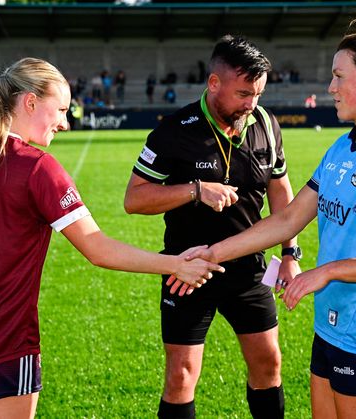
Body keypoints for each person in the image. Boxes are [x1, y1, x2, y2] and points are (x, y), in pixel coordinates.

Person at [0, 57, 222, 419]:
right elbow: (97, 248)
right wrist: (174, 264)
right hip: (2, 339)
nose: (65, 121)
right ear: (29, 102)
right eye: (59, 109)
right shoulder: (37, 167)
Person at [173, 15, 356, 419]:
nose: (330, 87)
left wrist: (327, 271)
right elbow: (287, 219)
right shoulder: (341, 148)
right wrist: (213, 254)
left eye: (338, 76)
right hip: (332, 325)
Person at [125, 35, 301, 418]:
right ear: (214, 83)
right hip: (186, 270)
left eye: (257, 94)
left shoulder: (266, 124)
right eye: (242, 94)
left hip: (249, 269)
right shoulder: (174, 130)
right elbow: (134, 199)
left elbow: (281, 190)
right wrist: (194, 190)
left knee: (268, 365)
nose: (250, 104)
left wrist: (289, 253)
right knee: (181, 376)